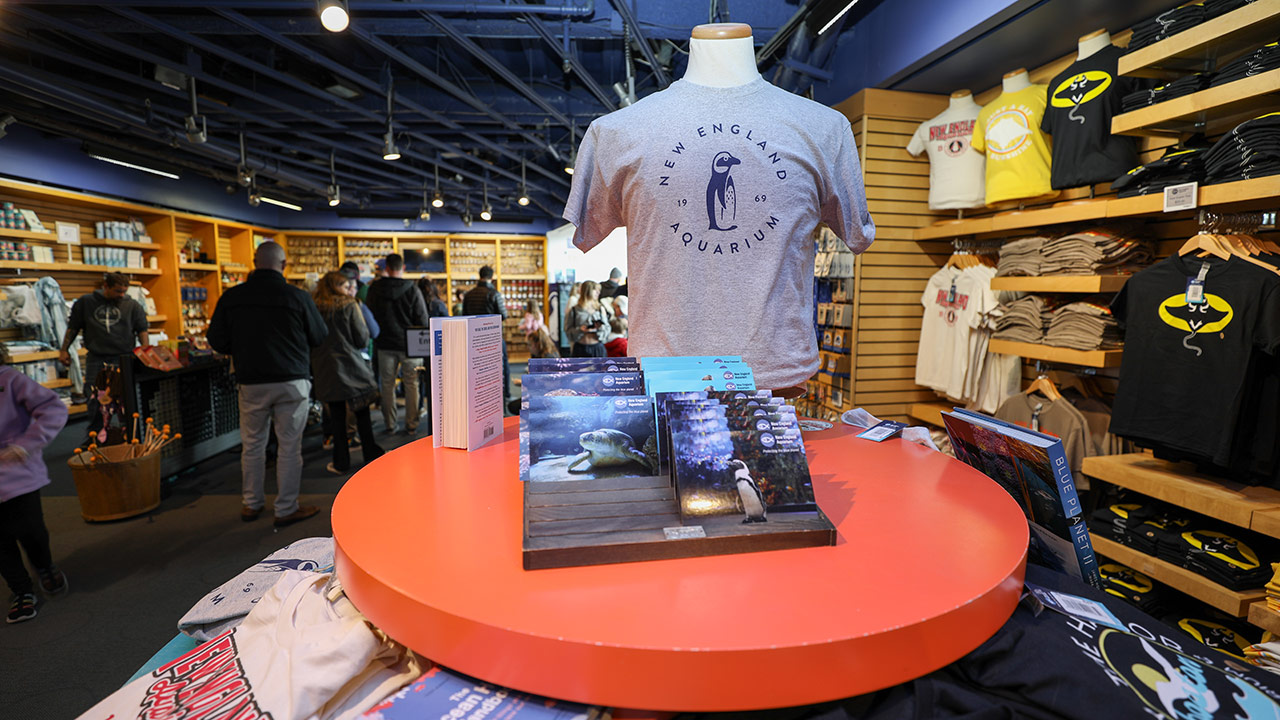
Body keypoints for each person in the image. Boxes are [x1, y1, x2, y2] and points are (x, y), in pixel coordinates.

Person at [207, 242, 328, 528]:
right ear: (284, 265)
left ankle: (252, 503)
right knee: (289, 446)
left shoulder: (232, 297)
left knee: (252, 445)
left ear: (253, 261)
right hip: (291, 379)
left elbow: (217, 340)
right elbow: (319, 335)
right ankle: (285, 507)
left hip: (251, 381)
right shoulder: (297, 297)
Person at [0, 342, 69, 624]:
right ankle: (21, 591)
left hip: (18, 474)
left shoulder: (10, 380)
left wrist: (25, 445)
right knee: (0, 543)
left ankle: (44, 566)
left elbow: (53, 409)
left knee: (32, 532)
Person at [311, 272, 384, 475]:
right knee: (361, 412)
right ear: (338, 287)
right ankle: (370, 454)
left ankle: (341, 461)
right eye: (345, 286)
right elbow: (362, 338)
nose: (348, 290)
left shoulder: (314, 306)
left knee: (336, 416)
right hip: (350, 365)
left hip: (325, 367)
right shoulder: (349, 305)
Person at [58, 273, 149, 427]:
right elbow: (73, 327)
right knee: (95, 398)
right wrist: (64, 350)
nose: (121, 295)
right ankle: (97, 434)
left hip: (124, 357)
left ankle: (128, 433)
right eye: (117, 291)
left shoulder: (132, 305)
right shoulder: (85, 303)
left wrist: (146, 353)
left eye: (124, 291)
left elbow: (142, 330)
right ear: (105, 286)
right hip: (97, 357)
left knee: (126, 398)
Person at [365, 253, 428, 435]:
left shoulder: (374, 289)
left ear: (386, 268)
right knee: (412, 384)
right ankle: (412, 424)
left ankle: (390, 424)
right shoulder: (412, 289)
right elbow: (422, 319)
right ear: (404, 268)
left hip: (384, 344)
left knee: (387, 385)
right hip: (411, 344)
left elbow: (369, 317)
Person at [461, 265, 510, 404]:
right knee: (501, 364)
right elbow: (503, 315)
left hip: (473, 338)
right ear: (492, 277)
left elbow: (464, 315)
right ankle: (504, 394)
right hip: (491, 337)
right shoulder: (494, 294)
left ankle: (476, 397)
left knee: (475, 368)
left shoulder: (468, 295)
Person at [416, 277, 449, 435]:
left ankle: (420, 407)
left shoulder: (416, 303)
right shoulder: (438, 304)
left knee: (422, 379)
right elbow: (448, 325)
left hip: (420, 346)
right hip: (439, 349)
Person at [566, 280, 612, 358]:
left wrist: (599, 328)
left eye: (599, 290)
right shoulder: (574, 310)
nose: (598, 293)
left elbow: (607, 329)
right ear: (587, 291)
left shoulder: (600, 309)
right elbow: (568, 331)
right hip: (580, 349)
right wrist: (580, 330)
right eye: (595, 290)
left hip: (597, 348)